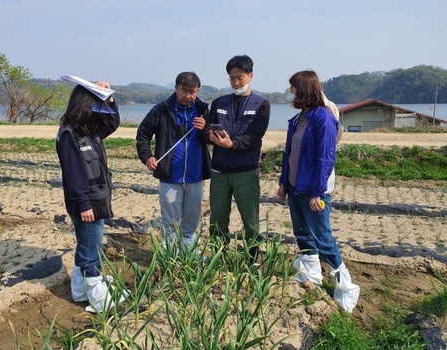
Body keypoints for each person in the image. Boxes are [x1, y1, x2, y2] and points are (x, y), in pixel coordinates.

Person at [277, 70, 360, 313]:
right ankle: (311, 275)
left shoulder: (322, 117)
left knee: (322, 236)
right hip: (294, 186)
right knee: (301, 232)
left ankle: (346, 288)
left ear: (303, 89)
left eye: (293, 87)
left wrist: (316, 192)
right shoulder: (300, 118)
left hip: (313, 189)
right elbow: (288, 154)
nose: (290, 91)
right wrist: (283, 182)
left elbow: (325, 157)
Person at [56, 80, 126, 313]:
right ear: (84, 104)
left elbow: (112, 122)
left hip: (96, 199)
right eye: (95, 103)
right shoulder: (69, 135)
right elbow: (74, 174)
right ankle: (98, 299)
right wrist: (84, 204)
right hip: (86, 205)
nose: (98, 109)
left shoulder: (89, 130)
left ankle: (79, 290)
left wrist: (109, 98)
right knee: (91, 250)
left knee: (87, 245)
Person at [205, 55, 270, 263]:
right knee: (217, 220)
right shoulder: (219, 102)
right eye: (231, 78)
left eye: (239, 78)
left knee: (250, 221)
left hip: (246, 171)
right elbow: (206, 128)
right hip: (220, 171)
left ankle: (251, 259)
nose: (235, 83)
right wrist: (210, 135)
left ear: (251, 76)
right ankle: (218, 257)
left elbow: (254, 135)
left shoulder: (261, 104)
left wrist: (231, 144)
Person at [136, 72, 211, 253]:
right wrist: (148, 157)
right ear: (176, 88)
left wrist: (206, 128)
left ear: (198, 90)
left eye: (192, 92)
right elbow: (143, 134)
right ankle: (169, 251)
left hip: (195, 176)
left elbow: (213, 137)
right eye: (184, 91)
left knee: (192, 218)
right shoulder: (161, 110)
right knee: (169, 219)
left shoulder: (204, 111)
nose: (188, 96)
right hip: (169, 175)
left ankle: (189, 249)